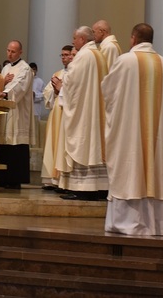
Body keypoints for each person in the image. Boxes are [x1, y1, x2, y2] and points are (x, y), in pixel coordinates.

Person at [102, 23, 163, 236]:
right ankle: (154, 224)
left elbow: (108, 91)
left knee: (130, 170)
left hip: (130, 132)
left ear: (133, 38)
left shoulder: (125, 61)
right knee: (150, 170)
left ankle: (126, 223)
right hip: (156, 136)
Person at [57, 26, 110, 200]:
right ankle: (100, 187)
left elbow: (71, 81)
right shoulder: (99, 55)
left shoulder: (83, 56)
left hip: (85, 112)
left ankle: (83, 188)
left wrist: (60, 86)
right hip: (97, 111)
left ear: (82, 39)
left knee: (84, 145)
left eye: (75, 38)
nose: (73, 41)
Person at [0, 40, 34, 189]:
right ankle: (2, 178)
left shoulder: (25, 69)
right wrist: (2, 83)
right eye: (8, 50)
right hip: (5, 111)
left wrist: (5, 92)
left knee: (15, 143)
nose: (10, 54)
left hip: (18, 112)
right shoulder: (5, 68)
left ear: (20, 52)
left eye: (13, 51)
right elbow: (0, 83)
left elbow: (20, 86)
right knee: (4, 143)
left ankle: (15, 179)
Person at [41, 44, 72, 189]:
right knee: (53, 144)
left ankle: (63, 180)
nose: (64, 58)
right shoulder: (57, 73)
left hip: (67, 114)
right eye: (62, 55)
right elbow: (46, 92)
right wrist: (54, 91)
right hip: (56, 113)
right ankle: (51, 179)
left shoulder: (75, 72)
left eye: (67, 55)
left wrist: (61, 88)